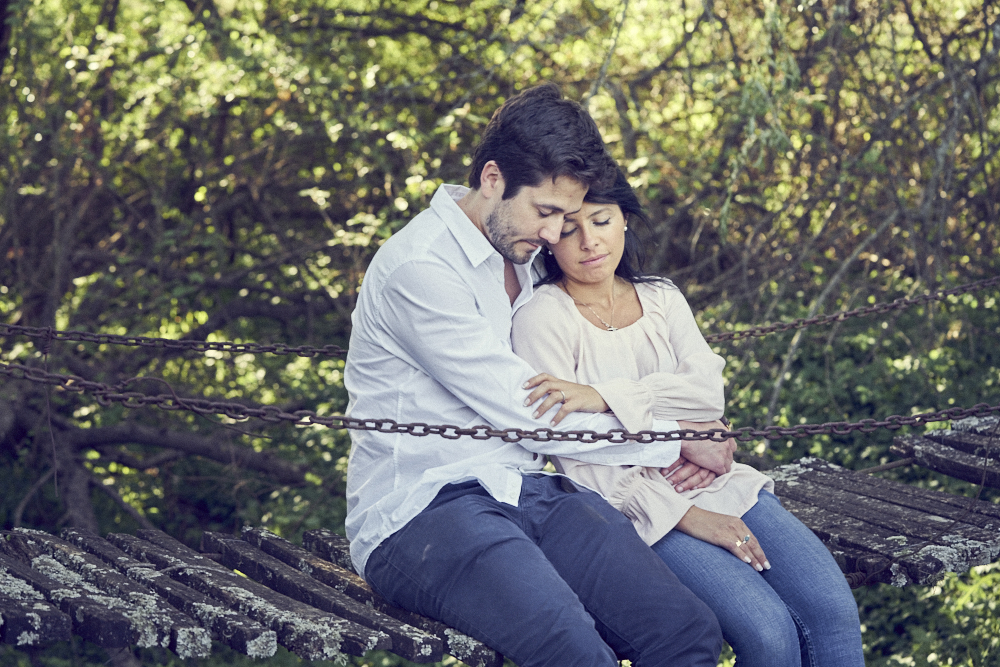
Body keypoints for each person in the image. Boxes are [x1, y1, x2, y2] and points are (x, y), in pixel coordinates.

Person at [343, 84, 726, 666]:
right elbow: (532, 413)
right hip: (422, 513)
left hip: (525, 490)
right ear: (492, 179)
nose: (555, 236)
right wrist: (675, 436)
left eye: (565, 217)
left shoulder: (519, 255)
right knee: (576, 655)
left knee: (685, 634)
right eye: (547, 213)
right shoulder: (421, 269)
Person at [511, 167, 865, 666]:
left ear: (625, 221)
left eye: (602, 221)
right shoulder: (542, 318)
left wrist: (601, 396)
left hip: (719, 480)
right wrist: (687, 502)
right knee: (769, 635)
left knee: (832, 612)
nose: (589, 242)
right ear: (550, 240)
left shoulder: (661, 298)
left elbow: (705, 397)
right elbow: (571, 448)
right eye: (569, 230)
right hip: (634, 512)